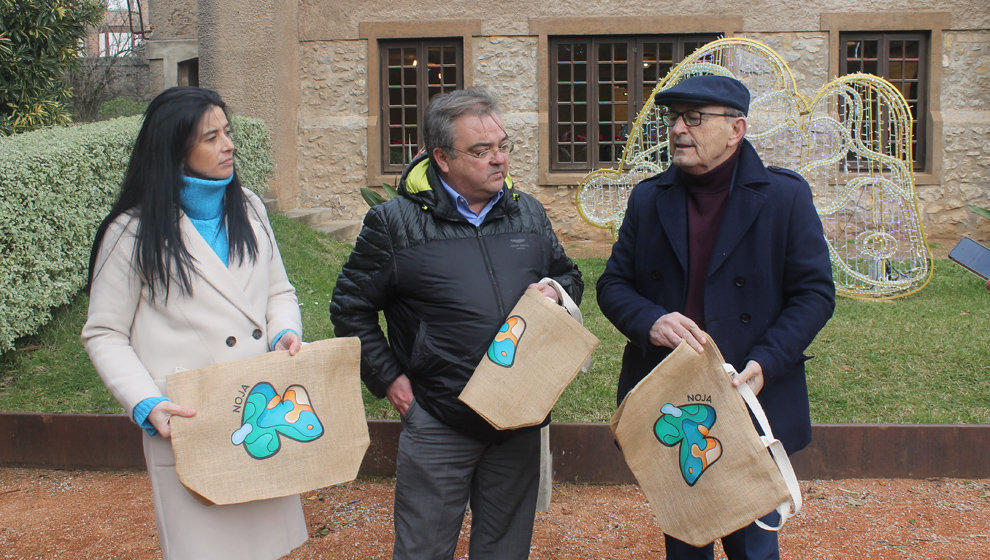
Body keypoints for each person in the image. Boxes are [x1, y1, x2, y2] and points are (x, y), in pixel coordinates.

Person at [330, 87, 582, 559]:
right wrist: (389, 381)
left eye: (503, 146)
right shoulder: (393, 223)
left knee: (505, 551)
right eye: (481, 151)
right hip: (439, 418)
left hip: (518, 416)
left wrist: (555, 291)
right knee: (423, 550)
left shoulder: (525, 211)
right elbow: (350, 307)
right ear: (442, 158)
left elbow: (568, 274)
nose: (499, 161)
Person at [596, 75, 835, 560]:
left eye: (694, 118)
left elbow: (814, 293)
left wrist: (766, 362)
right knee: (686, 541)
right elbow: (613, 285)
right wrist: (652, 321)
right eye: (674, 119)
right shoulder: (649, 197)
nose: (679, 129)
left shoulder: (785, 197)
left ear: (736, 129)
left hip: (748, 396)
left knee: (753, 549)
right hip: (674, 399)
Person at [82, 86, 307, 560]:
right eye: (211, 136)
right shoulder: (131, 231)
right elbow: (104, 333)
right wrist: (146, 403)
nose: (228, 145)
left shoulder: (248, 206)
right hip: (189, 423)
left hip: (259, 410)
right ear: (175, 147)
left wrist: (285, 330)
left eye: (228, 132)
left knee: (267, 547)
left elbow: (278, 292)